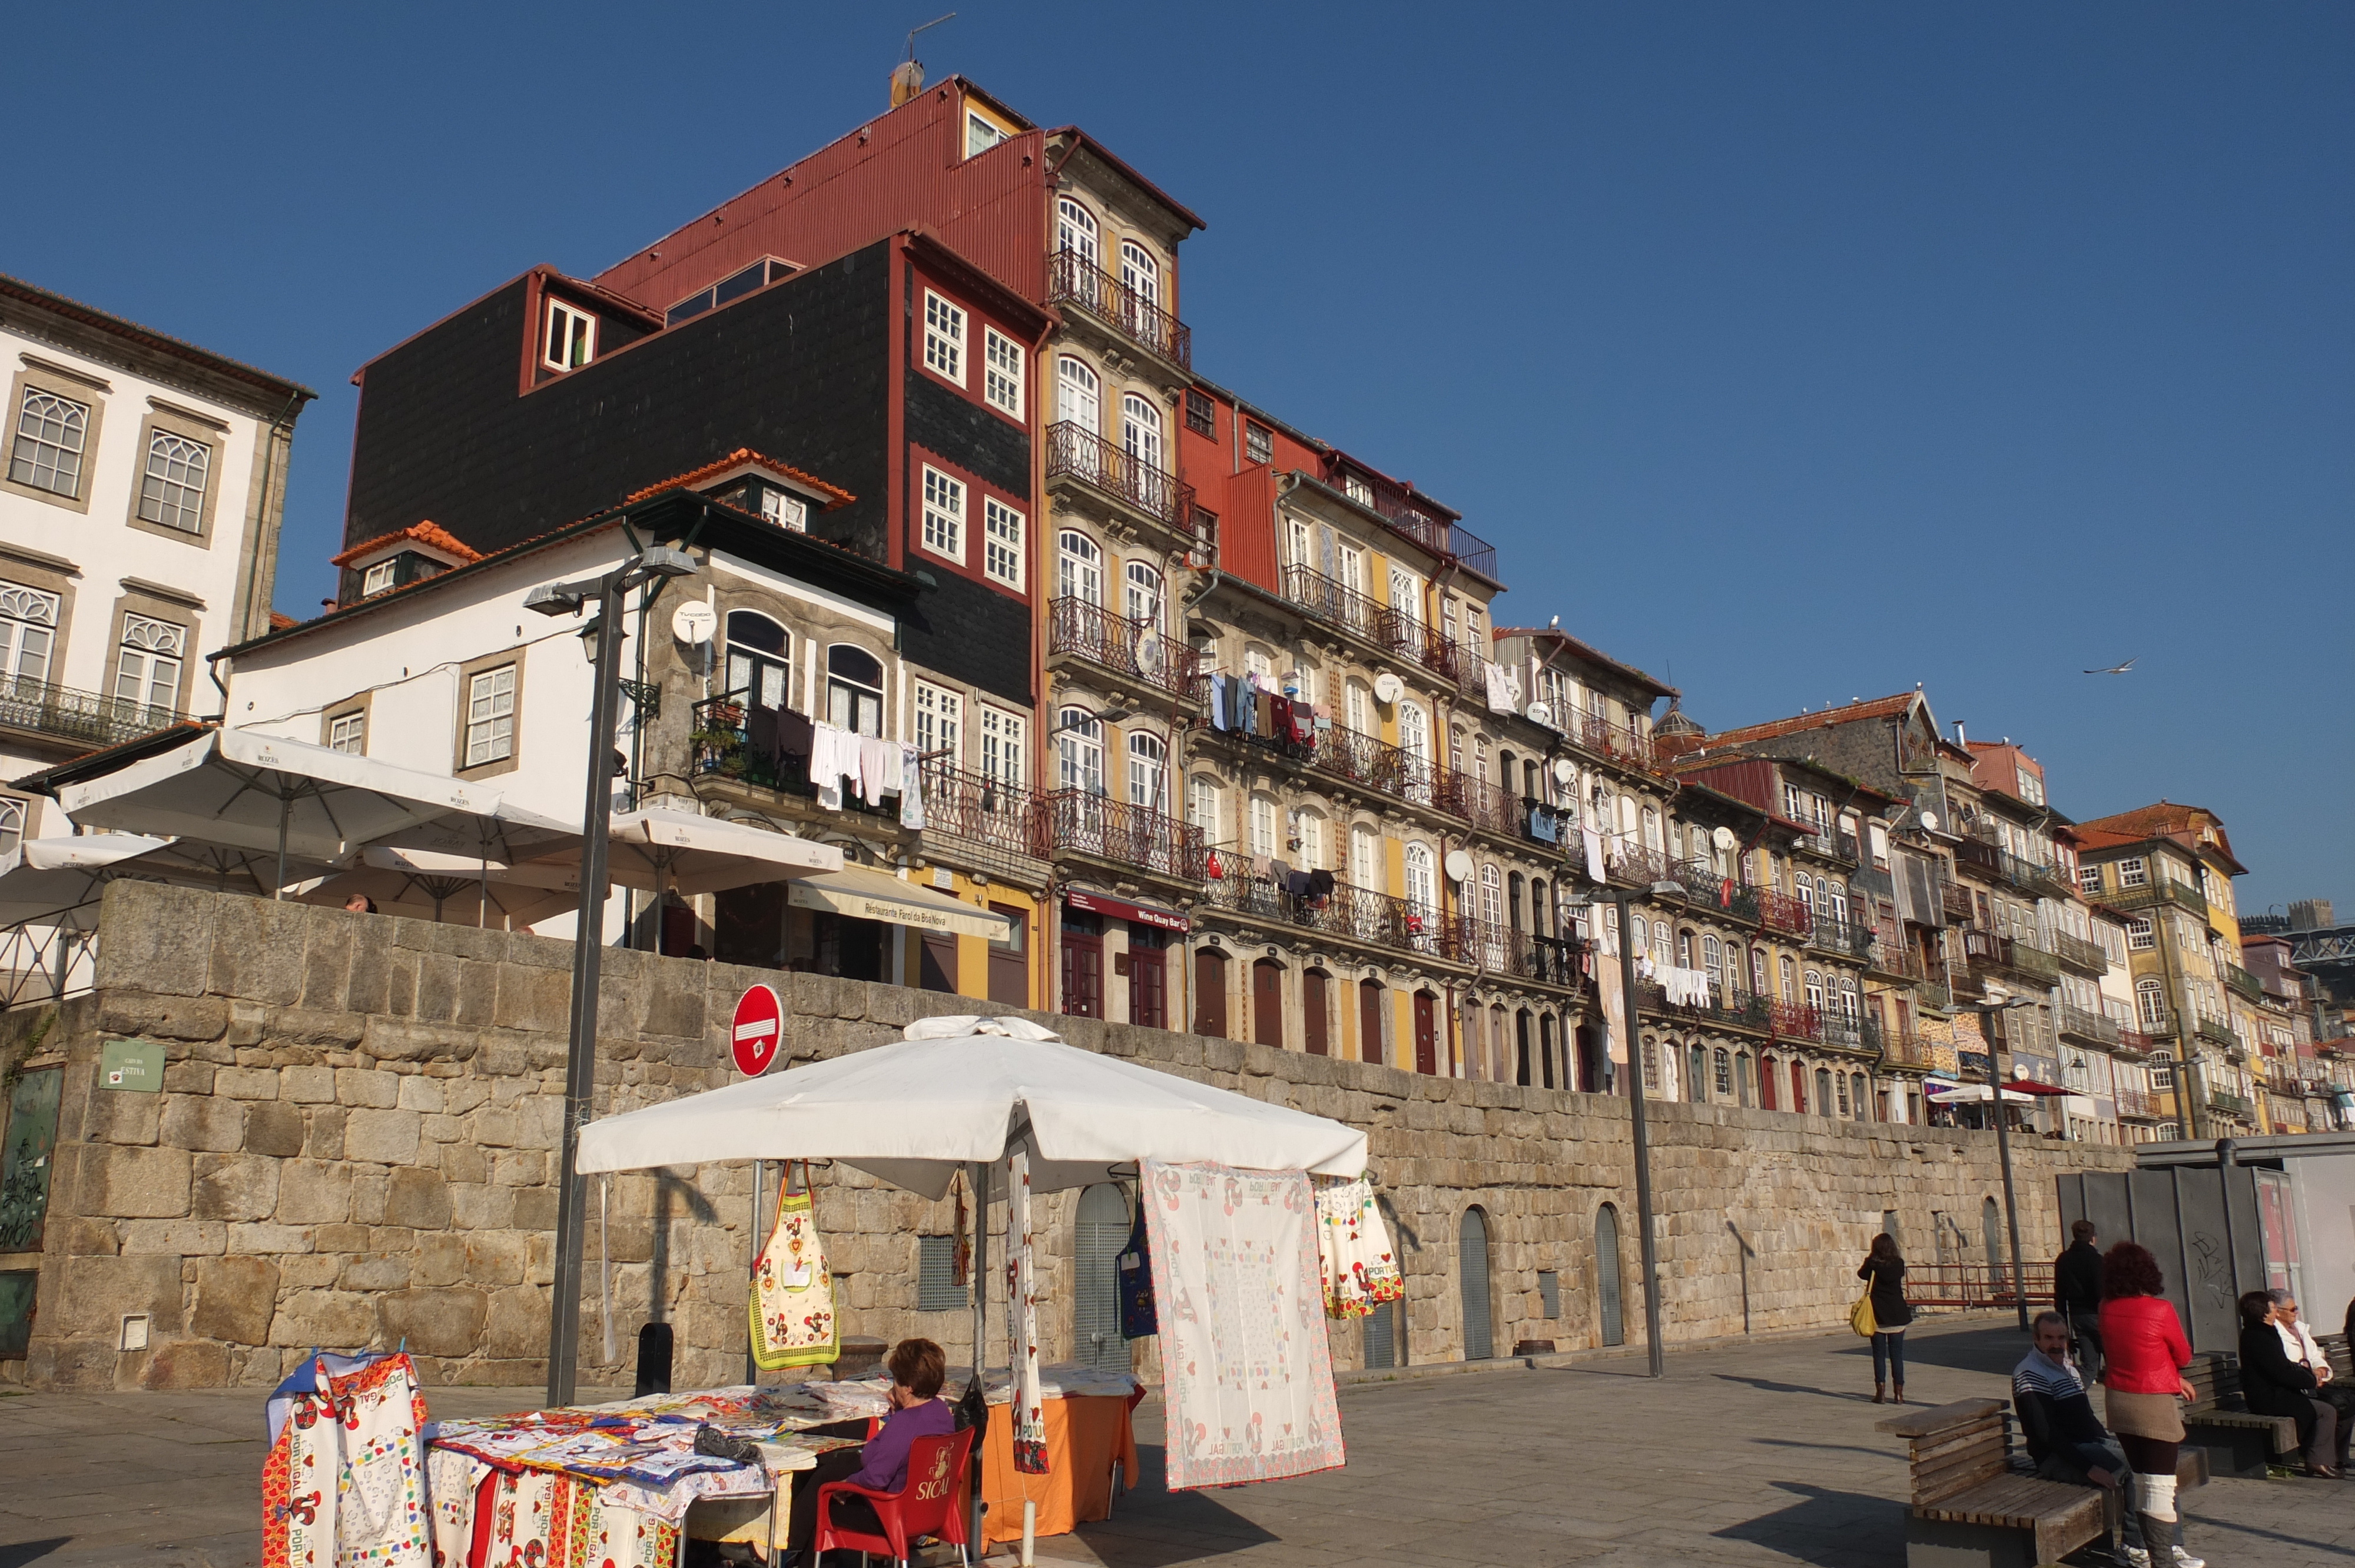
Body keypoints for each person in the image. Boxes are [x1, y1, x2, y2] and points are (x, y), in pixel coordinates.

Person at [780, 1337, 956, 1566]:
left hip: (892, 1514)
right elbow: (895, 1453)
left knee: (825, 1498)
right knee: (830, 1472)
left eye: (896, 1381)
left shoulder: (905, 1424)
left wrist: (849, 1484)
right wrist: (897, 1414)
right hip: (930, 1509)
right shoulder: (941, 1412)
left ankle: (789, 1549)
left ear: (909, 1388)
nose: (893, 1386)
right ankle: (792, 1549)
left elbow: (875, 1478)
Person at [2098, 1242, 2204, 1568]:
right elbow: (2184, 1355)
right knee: (2160, 1487)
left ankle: (2144, 1552)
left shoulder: (2105, 1307)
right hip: (2154, 1405)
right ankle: (2163, 1561)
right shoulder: (2160, 1310)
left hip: (2119, 1402)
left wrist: (2172, 1377)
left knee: (2143, 1481)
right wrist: (2174, 1376)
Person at [2014, 1310, 2127, 1489]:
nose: (2056, 1344)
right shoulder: (2030, 1373)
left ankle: (2149, 1516)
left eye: (2061, 1338)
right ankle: (2133, 1518)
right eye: (2049, 1338)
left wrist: (2107, 1442)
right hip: (2055, 1456)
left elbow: (2087, 1416)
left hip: (2086, 1443)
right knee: (2129, 1468)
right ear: (2036, 1339)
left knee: (2144, 1460)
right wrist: (2089, 1468)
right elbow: (2046, 1433)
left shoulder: (2068, 1368)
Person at [2238, 1290, 2341, 1477]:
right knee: (2325, 1411)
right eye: (2272, 1308)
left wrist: (2308, 1376)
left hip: (2276, 1392)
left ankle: (2318, 1459)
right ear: (2263, 1311)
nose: (2276, 1312)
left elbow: (2284, 1366)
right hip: (2268, 1397)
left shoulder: (2265, 1332)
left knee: (2329, 1407)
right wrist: (2309, 1379)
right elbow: (2280, 1371)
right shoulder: (2259, 1336)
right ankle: (2317, 1460)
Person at [1857, 1233, 1912, 1405]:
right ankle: (1899, 1394)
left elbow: (1861, 1274)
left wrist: (1870, 1259)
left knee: (1879, 1355)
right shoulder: (1899, 1264)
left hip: (1878, 1315)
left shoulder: (1873, 1265)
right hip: (1897, 1314)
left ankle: (1880, 1393)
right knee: (1897, 1355)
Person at [2054, 1218, 2105, 1380]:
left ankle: (2074, 1396)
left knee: (2089, 1365)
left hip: (2077, 1316)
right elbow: (2100, 1292)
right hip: (2097, 1315)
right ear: (2092, 1238)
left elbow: (2060, 1294)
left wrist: (2063, 1323)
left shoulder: (2063, 1260)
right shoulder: (2097, 1260)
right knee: (2114, 1361)